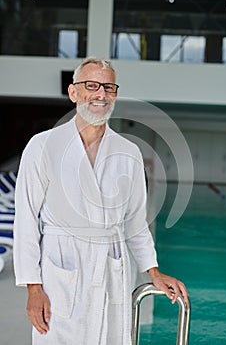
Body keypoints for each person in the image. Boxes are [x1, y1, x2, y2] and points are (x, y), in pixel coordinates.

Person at [13, 56, 188, 345]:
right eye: (91, 85)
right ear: (74, 93)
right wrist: (33, 288)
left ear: (115, 95)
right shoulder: (43, 146)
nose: (100, 94)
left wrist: (153, 273)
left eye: (108, 87)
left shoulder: (128, 152)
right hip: (61, 270)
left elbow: (135, 222)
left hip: (111, 269)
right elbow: (27, 221)